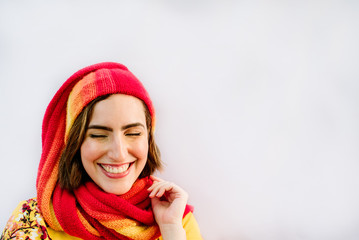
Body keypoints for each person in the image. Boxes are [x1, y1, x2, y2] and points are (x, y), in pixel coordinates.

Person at [1, 62, 202, 240]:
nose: (119, 154)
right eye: (98, 135)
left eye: (133, 133)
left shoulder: (175, 218)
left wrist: (170, 229)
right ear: (75, 142)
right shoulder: (32, 220)